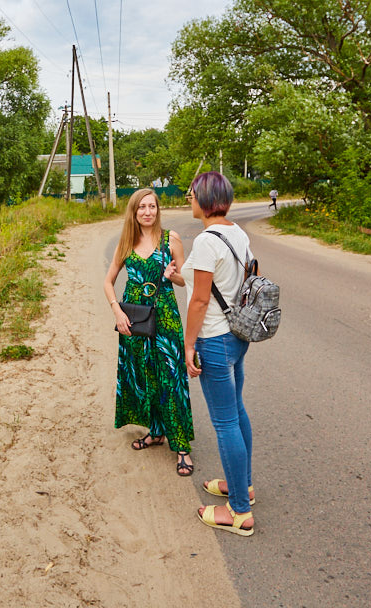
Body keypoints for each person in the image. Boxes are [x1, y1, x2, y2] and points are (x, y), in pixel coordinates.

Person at [182, 171, 257, 536]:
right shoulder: (238, 234)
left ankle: (240, 512)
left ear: (205, 199)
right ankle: (243, 485)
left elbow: (199, 299)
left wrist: (189, 345)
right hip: (238, 336)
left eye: (191, 194)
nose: (188, 199)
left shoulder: (206, 241)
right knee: (237, 411)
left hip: (213, 338)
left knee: (225, 422)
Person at [103, 188, 195, 476]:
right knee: (145, 374)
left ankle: (181, 447)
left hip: (166, 315)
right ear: (134, 211)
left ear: (158, 210)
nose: (147, 212)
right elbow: (108, 282)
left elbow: (185, 280)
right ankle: (155, 432)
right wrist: (117, 311)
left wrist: (173, 276)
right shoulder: (126, 242)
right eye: (141, 207)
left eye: (152, 206)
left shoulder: (172, 240)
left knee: (171, 376)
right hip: (134, 317)